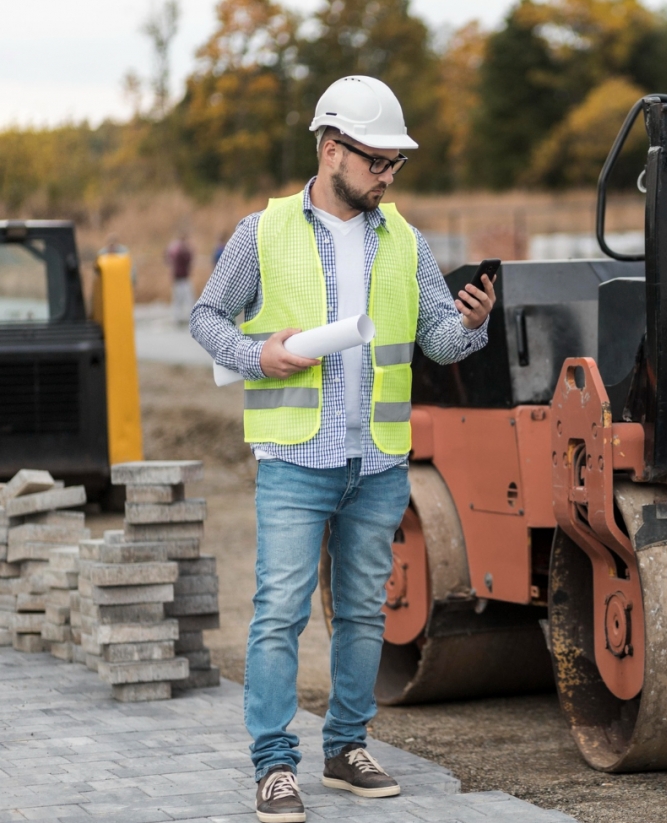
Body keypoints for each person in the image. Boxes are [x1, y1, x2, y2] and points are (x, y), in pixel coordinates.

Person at [190, 75, 496, 823]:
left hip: (379, 461)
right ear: (332, 150)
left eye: (397, 164)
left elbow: (437, 341)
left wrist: (474, 322)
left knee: (363, 611)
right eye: (378, 161)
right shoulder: (261, 233)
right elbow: (206, 317)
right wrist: (261, 355)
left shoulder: (407, 241)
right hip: (295, 458)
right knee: (278, 613)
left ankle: (346, 746)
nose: (389, 176)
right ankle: (273, 764)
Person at [166, 231, 194, 324]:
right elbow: (188, 259)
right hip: (181, 278)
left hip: (179, 278)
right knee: (186, 298)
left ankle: (178, 317)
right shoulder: (180, 250)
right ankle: (181, 317)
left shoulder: (173, 248)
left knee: (180, 299)